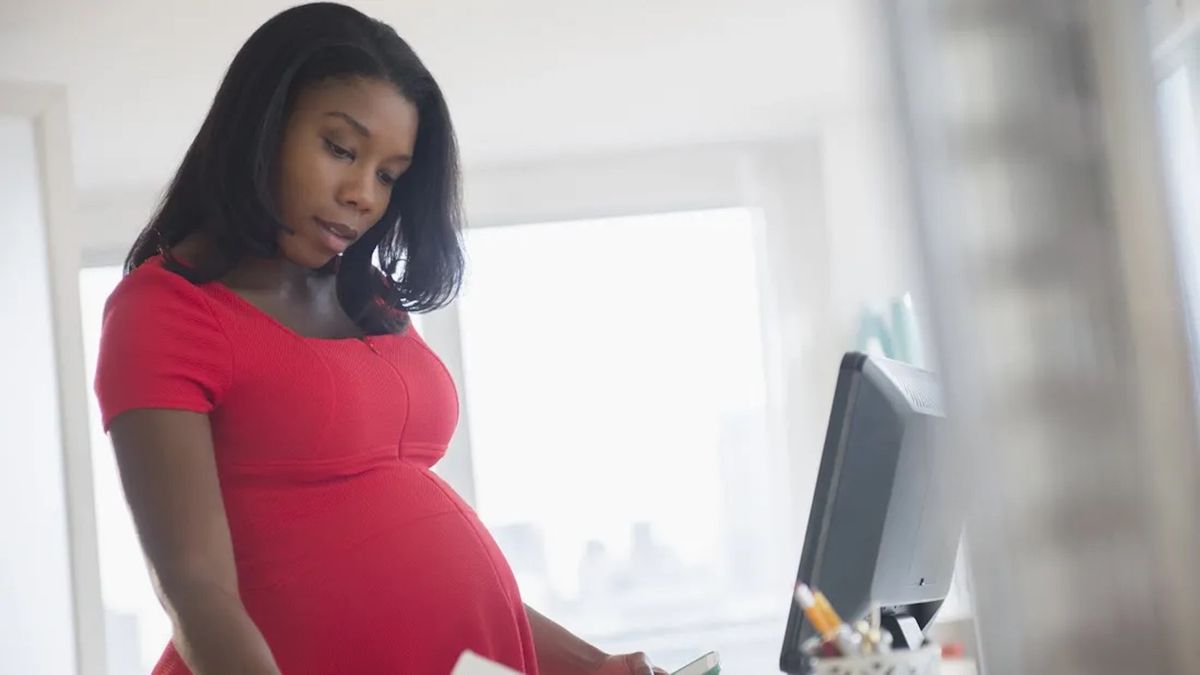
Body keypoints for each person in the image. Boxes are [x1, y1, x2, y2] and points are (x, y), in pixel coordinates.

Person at [94, 4, 668, 674]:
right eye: (341, 148)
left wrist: (596, 667)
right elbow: (197, 590)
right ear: (261, 123)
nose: (363, 194)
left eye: (389, 174)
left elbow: (425, 568)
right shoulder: (164, 310)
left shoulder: (371, 302)